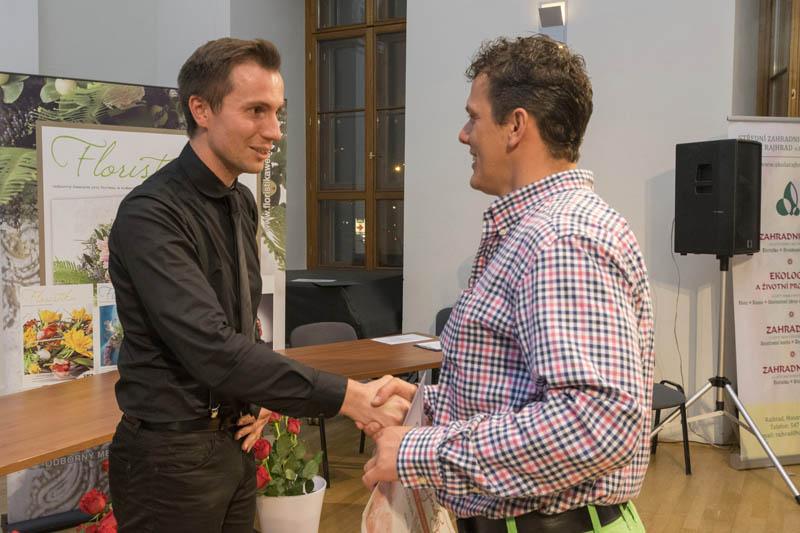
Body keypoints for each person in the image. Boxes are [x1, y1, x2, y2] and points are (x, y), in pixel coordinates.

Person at [107, 38, 407, 532]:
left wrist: (264, 395)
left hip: (235, 440)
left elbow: (241, 324)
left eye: (277, 112)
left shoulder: (240, 201)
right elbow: (210, 346)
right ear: (201, 110)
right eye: (256, 111)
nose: (274, 131)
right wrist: (350, 397)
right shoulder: (152, 215)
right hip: (169, 459)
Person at [362, 35, 654, 533]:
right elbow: (513, 389)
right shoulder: (537, 231)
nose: (464, 135)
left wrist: (419, 450)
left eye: (473, 118)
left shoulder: (562, 238)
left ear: (516, 125)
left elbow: (596, 423)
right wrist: (426, 407)